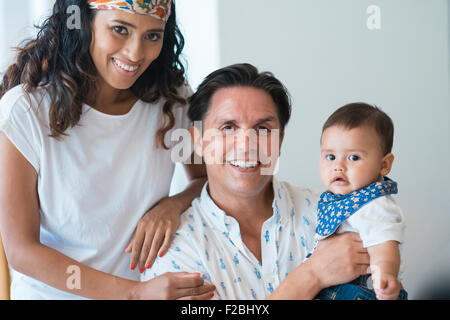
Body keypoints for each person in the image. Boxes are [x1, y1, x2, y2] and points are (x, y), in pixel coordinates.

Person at [0, 0, 215, 299]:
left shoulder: (171, 98)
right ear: (83, 23)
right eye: (120, 29)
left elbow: (208, 181)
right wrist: (134, 294)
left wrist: (174, 204)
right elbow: (22, 250)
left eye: (152, 35)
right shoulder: (25, 111)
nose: (135, 53)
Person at [143, 63, 372, 299]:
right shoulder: (174, 248)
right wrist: (312, 275)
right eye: (228, 127)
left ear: (280, 141)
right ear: (198, 141)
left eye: (263, 129)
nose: (246, 145)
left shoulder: (336, 215)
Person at [313, 103, 407, 300]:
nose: (338, 166)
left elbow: (384, 243)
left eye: (353, 157)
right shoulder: (339, 200)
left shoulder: (373, 204)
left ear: (384, 165)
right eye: (330, 156)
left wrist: (385, 275)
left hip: (362, 290)